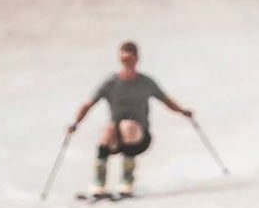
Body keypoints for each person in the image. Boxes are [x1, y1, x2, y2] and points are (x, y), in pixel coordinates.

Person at [68, 40, 193, 197]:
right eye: (124, 60)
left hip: (139, 138)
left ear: (137, 59)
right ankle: (99, 183)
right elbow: (88, 104)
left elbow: (166, 100)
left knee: (127, 125)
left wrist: (183, 111)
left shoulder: (146, 83)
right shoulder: (111, 83)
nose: (127, 64)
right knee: (109, 128)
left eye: (130, 59)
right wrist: (75, 123)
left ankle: (127, 181)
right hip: (117, 139)